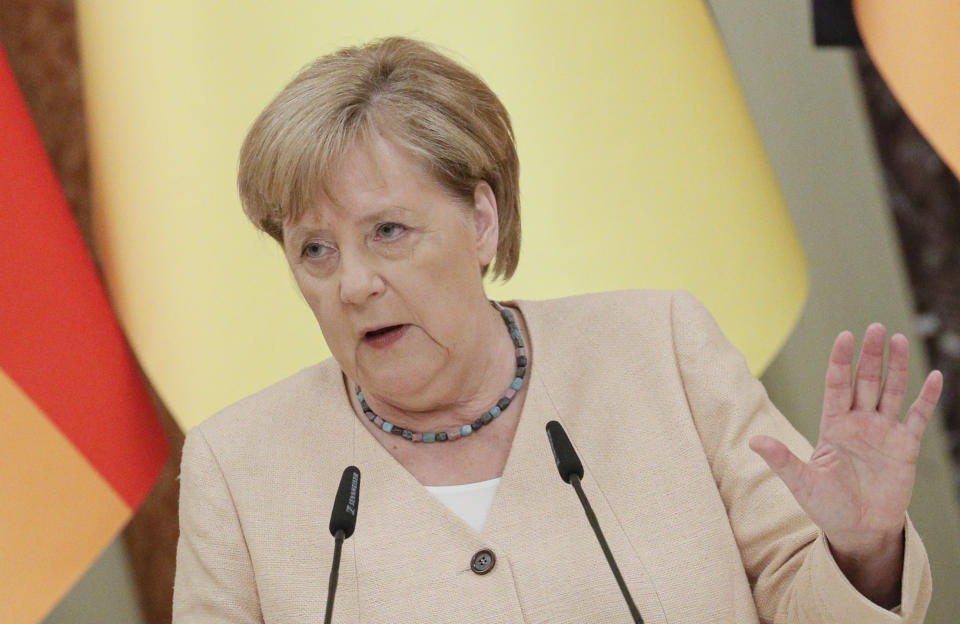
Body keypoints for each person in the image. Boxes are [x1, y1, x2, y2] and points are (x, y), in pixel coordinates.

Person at [172, 37, 941, 623]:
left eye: (389, 231)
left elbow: (804, 599)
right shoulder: (237, 470)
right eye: (315, 250)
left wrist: (861, 549)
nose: (353, 282)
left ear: (481, 219)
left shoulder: (658, 350)